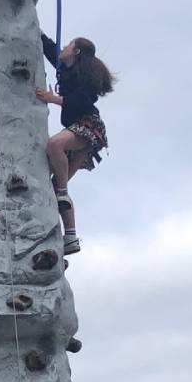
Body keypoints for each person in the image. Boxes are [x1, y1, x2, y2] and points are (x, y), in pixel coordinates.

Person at [35, 33, 116, 254]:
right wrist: (38, 31)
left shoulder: (83, 75)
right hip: (77, 129)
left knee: (54, 145)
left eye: (70, 44)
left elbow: (82, 101)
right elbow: (50, 48)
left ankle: (61, 192)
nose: (65, 47)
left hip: (88, 125)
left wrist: (54, 99)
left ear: (76, 51)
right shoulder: (64, 68)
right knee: (53, 187)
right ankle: (70, 236)